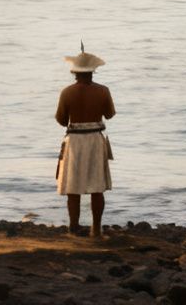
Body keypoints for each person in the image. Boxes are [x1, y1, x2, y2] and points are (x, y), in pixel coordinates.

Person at [54, 48, 116, 238]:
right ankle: (96, 229)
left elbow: (62, 120)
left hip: (75, 140)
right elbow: (110, 114)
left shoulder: (67, 92)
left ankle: (73, 227)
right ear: (92, 71)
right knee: (97, 187)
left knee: (74, 187)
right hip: (95, 139)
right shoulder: (103, 91)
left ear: (74, 72)